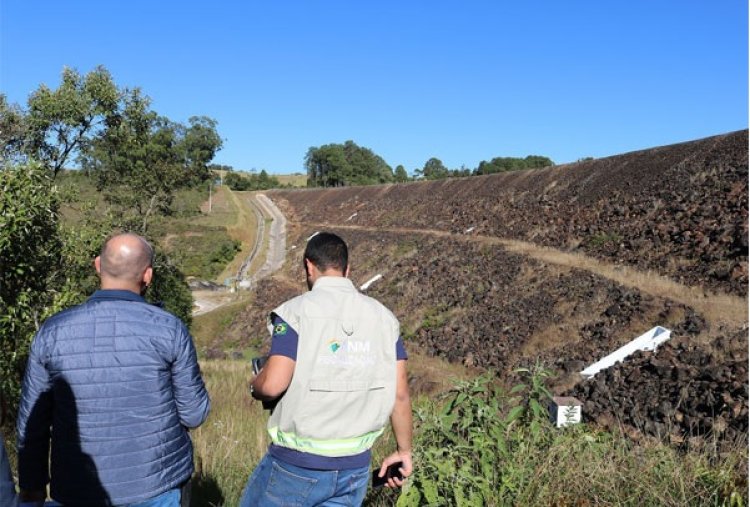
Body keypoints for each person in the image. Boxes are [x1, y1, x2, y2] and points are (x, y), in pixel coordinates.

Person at [16, 233, 210, 507]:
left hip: (76, 486)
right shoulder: (170, 329)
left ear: (97, 265)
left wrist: (32, 487)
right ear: (148, 275)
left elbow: (32, 420)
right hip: (155, 484)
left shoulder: (52, 331)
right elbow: (194, 413)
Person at [240, 232, 413, 506]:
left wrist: (254, 383)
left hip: (296, 465)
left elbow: (273, 384)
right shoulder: (385, 318)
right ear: (347, 269)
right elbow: (400, 394)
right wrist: (404, 451)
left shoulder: (294, 313)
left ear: (309, 266)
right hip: (354, 470)